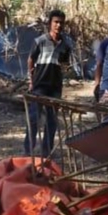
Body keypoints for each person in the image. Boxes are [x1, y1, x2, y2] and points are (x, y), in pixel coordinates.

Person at [25, 9, 74, 157]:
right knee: (34, 118)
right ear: (49, 23)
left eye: (61, 23)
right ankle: (28, 151)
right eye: (56, 22)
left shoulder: (65, 45)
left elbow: (65, 64)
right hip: (39, 85)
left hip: (55, 87)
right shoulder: (40, 41)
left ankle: (47, 151)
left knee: (52, 121)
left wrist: (66, 68)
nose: (58, 25)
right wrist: (31, 81)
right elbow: (31, 60)